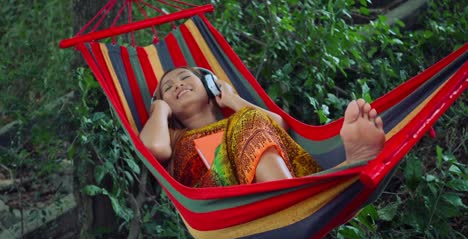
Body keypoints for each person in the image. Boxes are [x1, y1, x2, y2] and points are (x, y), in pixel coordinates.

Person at [139, 67, 385, 187]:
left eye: (184, 78)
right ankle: (302, 188)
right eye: (168, 88)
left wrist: (233, 100)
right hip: (222, 201)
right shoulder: (174, 135)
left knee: (249, 120)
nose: (177, 86)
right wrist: (159, 109)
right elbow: (154, 148)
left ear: (210, 86)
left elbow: (278, 126)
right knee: (247, 120)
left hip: (269, 188)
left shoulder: (241, 119)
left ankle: (346, 169)